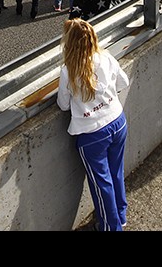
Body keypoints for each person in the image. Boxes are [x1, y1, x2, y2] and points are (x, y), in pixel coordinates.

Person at [57, 18, 130, 231]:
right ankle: (120, 214)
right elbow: (123, 83)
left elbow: (63, 105)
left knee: (101, 183)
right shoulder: (105, 57)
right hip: (117, 121)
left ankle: (110, 226)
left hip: (91, 133)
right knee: (116, 172)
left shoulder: (68, 71)